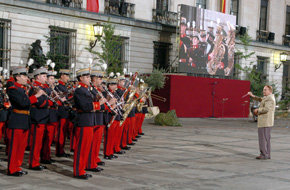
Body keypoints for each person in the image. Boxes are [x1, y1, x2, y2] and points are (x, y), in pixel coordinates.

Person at [6, 67, 45, 176]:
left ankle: (17, 166)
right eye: (24, 76)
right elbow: (23, 103)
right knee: (15, 147)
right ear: (17, 77)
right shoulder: (13, 89)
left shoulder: (22, 89)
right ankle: (12, 169)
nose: (26, 78)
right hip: (17, 119)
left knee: (21, 147)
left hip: (24, 120)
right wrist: (36, 96)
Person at [73, 68, 104, 179]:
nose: (89, 79)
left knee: (86, 147)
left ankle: (84, 167)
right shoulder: (80, 90)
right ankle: (78, 171)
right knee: (81, 148)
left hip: (89, 121)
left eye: (89, 77)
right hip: (83, 121)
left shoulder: (87, 90)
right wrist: (98, 104)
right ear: (81, 78)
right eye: (86, 77)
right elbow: (85, 106)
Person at [248, 85, 276, 160]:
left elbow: (266, 109)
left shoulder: (270, 98)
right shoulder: (267, 97)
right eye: (263, 90)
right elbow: (261, 99)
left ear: (270, 91)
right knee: (265, 138)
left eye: (265, 90)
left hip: (265, 122)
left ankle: (264, 154)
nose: (263, 91)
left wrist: (257, 110)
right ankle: (266, 154)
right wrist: (252, 96)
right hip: (265, 122)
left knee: (263, 139)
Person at [55, 69, 71, 157]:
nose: (68, 78)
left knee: (63, 133)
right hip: (61, 112)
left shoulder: (64, 86)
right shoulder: (58, 86)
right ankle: (59, 151)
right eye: (66, 76)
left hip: (65, 111)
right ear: (62, 76)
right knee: (60, 133)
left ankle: (61, 150)